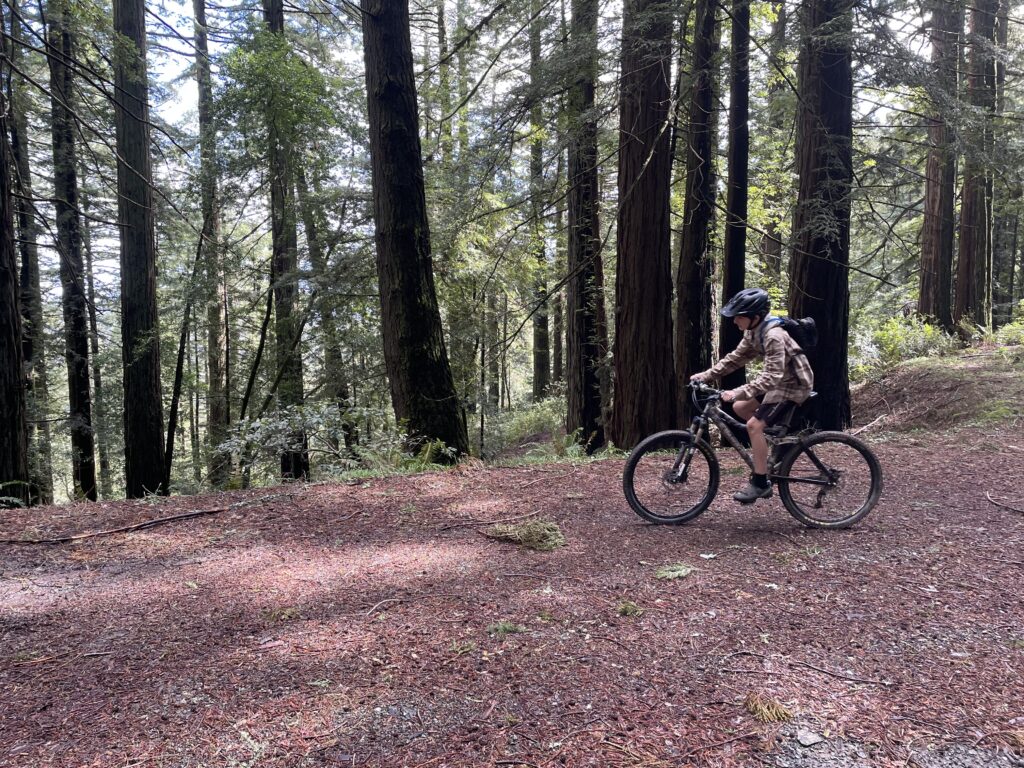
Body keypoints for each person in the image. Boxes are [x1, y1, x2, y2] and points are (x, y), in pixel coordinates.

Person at [690, 288, 814, 503]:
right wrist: (706, 376)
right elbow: (735, 359)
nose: (735, 321)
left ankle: (760, 482)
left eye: (739, 316)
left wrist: (738, 391)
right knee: (740, 407)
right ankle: (778, 443)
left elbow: (771, 377)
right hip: (780, 382)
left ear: (755, 317)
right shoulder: (753, 332)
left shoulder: (774, 335)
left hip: (793, 384)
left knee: (754, 426)